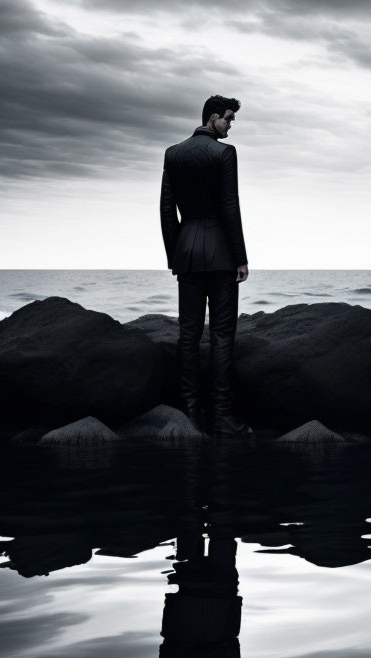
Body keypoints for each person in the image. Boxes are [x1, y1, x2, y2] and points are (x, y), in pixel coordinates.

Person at [160, 95, 252, 437]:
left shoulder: (173, 153)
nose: (230, 124)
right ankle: (223, 417)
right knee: (222, 336)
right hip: (221, 255)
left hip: (187, 254)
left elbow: (167, 209)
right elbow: (230, 206)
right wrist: (241, 257)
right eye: (228, 118)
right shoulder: (224, 153)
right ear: (212, 117)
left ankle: (190, 414)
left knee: (188, 333)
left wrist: (174, 255)